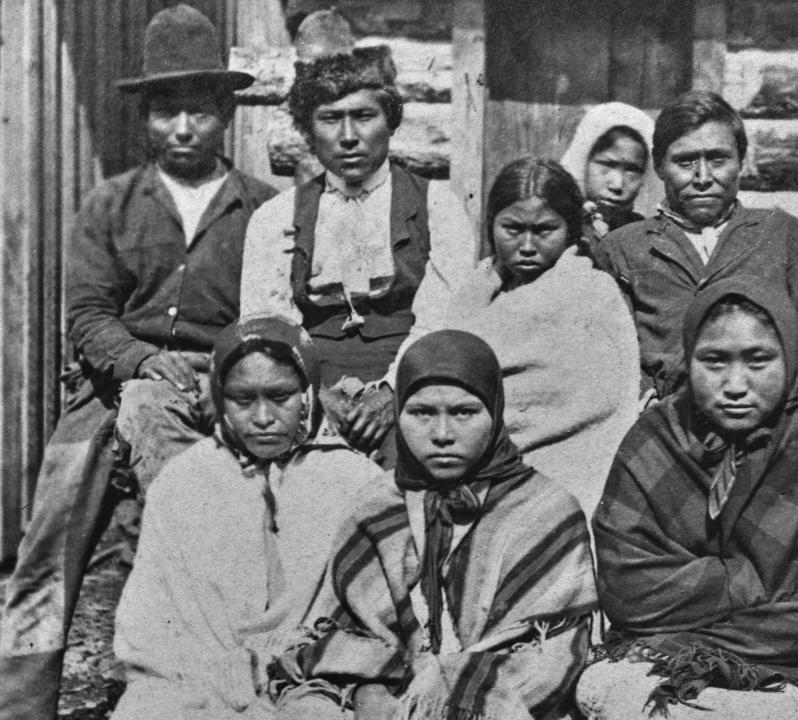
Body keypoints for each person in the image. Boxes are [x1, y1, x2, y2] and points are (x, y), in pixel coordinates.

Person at [0, 6, 276, 718]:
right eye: (165, 112)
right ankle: (22, 702)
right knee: (47, 547)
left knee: (217, 532)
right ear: (145, 118)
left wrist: (227, 378)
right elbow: (88, 316)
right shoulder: (110, 204)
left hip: (220, 390)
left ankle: (210, 690)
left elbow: (268, 317)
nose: (182, 129)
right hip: (105, 388)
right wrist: (138, 363)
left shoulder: (263, 209)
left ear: (226, 114)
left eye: (199, 112)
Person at [579, 278, 798, 720]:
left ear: (793, 358)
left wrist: (692, 631)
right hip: (660, 662)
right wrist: (756, 580)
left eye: (759, 360)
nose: (735, 384)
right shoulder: (653, 438)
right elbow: (628, 591)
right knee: (602, 689)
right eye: (714, 361)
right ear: (689, 357)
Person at [267, 330, 597, 720]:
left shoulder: (546, 513)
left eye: (464, 413)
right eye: (422, 413)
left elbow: (553, 661)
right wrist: (366, 689)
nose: (442, 435)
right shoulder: (376, 507)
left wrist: (440, 688)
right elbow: (345, 633)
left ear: (495, 412)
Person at [110, 316, 381, 720]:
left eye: (281, 396)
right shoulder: (185, 480)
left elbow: (377, 618)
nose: (263, 417)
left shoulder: (357, 482)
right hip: (200, 679)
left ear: (308, 394)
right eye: (242, 399)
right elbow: (150, 622)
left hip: (315, 680)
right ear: (220, 398)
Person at [241, 9, 475, 460]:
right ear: (309, 130)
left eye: (364, 116)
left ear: (390, 121)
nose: (349, 136)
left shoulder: (436, 207)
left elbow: (444, 320)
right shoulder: (275, 218)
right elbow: (267, 326)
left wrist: (392, 392)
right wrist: (312, 394)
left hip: (413, 381)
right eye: (330, 119)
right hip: (308, 387)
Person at [387, 158, 639, 516]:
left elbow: (604, 400)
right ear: (492, 226)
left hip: (565, 468)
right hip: (465, 461)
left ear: (570, 229)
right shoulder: (477, 286)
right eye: (513, 229)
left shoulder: (592, 293)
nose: (527, 245)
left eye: (544, 230)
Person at [595, 90, 798, 407]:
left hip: (774, 423)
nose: (703, 177)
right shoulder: (623, 248)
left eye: (718, 160)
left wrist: (793, 395)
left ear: (741, 163)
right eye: (685, 161)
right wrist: (645, 402)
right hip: (668, 431)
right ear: (660, 166)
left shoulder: (784, 234)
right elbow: (606, 349)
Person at [559, 102, 655, 256]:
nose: (617, 185)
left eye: (632, 170)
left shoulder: (646, 235)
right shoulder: (558, 227)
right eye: (607, 165)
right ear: (583, 162)